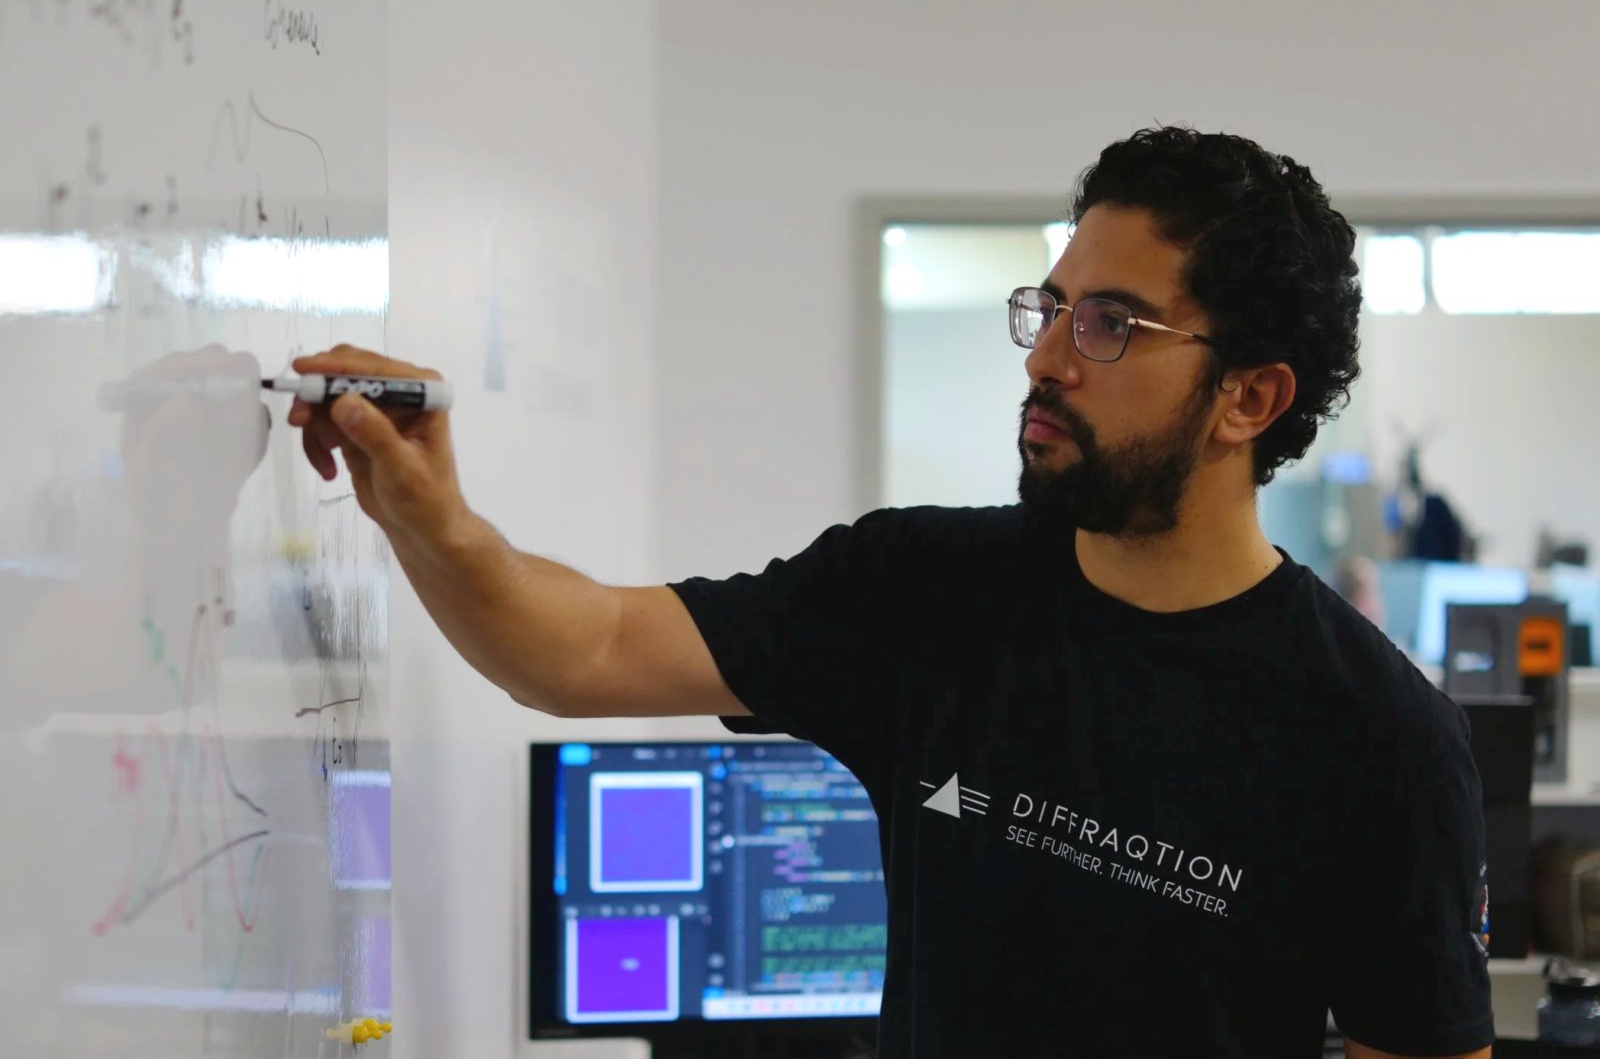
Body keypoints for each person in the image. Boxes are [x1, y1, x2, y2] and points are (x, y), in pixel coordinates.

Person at [288, 127, 1492, 1059]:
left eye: (1112, 323)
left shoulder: (1377, 733)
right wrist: (424, 510)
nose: (1047, 354)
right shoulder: (923, 588)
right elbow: (580, 650)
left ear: (1249, 399)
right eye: (1054, 305)